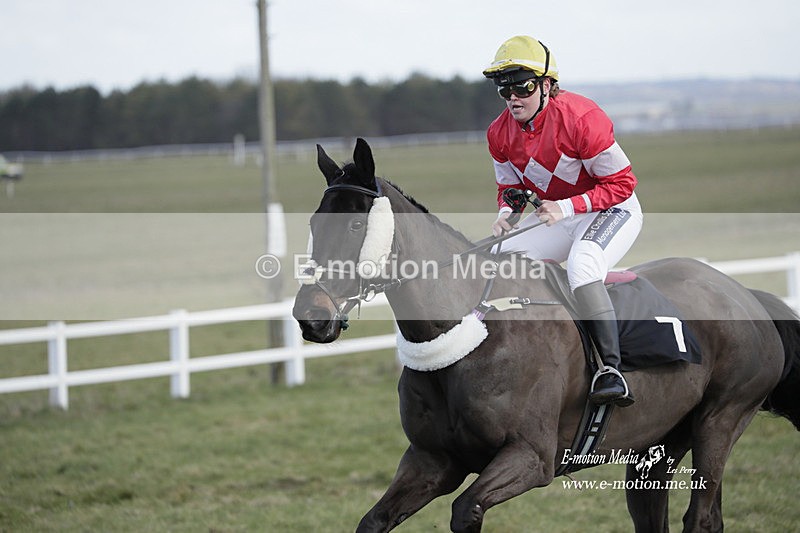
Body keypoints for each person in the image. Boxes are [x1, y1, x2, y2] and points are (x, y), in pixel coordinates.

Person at [483, 35, 643, 407]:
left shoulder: (582, 118)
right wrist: (507, 216)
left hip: (612, 209)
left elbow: (622, 184)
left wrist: (566, 208)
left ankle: (610, 369)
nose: (512, 97)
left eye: (521, 86)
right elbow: (510, 187)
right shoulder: (498, 132)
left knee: (584, 265)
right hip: (558, 216)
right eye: (503, 89)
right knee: (500, 256)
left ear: (545, 85)